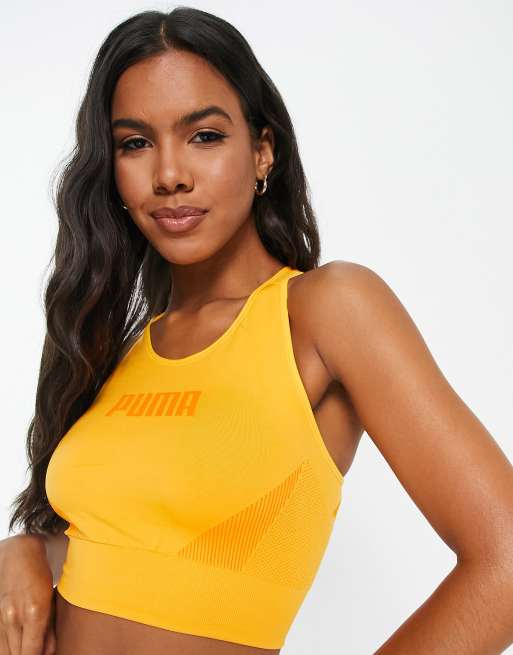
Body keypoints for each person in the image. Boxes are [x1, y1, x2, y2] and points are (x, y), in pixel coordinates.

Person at [2, 6, 513, 655]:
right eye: (135, 143)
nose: (169, 174)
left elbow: (505, 560)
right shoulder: (121, 346)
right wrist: (26, 548)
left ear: (262, 150)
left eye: (203, 135)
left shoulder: (325, 311)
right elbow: (131, 550)